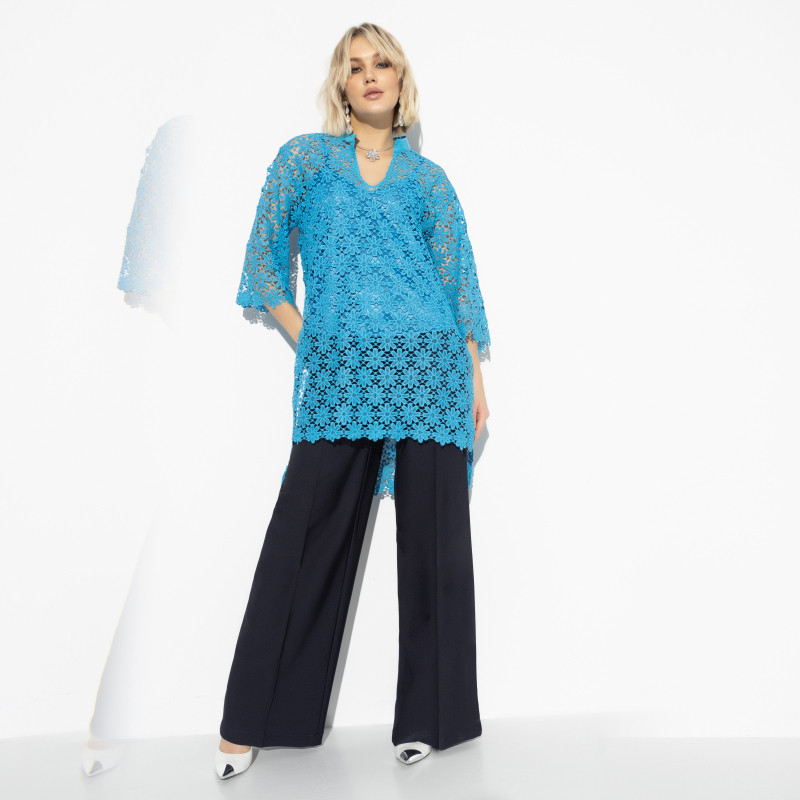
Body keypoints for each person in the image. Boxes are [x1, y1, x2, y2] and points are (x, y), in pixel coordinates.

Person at [215, 21, 491, 779]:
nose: (371, 75)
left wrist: (472, 377)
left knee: (436, 549)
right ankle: (254, 720)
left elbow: (458, 283)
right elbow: (263, 268)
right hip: (342, 376)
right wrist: (317, 344)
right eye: (356, 65)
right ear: (341, 84)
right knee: (304, 538)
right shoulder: (304, 161)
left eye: (384, 64)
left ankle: (430, 718)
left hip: (430, 371)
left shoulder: (429, 180)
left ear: (401, 82)